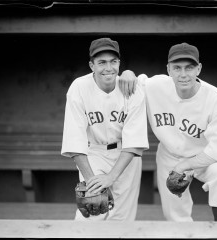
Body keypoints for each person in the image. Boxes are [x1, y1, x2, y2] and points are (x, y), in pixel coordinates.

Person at [119, 42, 217, 222]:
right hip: (170, 155)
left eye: (189, 68)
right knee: (175, 217)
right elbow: (133, 82)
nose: (183, 74)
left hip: (206, 158)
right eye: (177, 68)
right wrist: (127, 73)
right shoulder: (156, 86)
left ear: (199, 69)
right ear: (168, 69)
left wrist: (184, 166)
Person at [61, 38, 149, 221]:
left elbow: (134, 141)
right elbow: (74, 139)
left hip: (126, 155)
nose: (108, 68)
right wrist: (91, 182)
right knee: (90, 214)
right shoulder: (79, 88)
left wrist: (111, 177)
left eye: (113, 62)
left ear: (119, 63)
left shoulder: (132, 89)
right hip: (94, 152)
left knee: (123, 218)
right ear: (91, 65)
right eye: (101, 62)